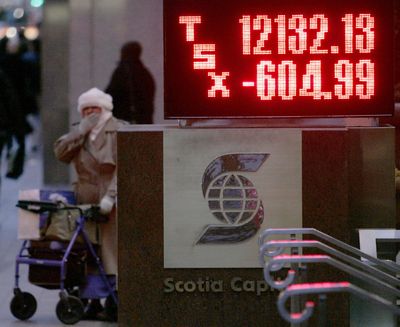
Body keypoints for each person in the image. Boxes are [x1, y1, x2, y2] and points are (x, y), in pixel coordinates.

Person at [54, 87, 122, 321]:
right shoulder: (79, 133)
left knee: (112, 253)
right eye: (86, 109)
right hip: (86, 203)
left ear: (104, 108)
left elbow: (125, 167)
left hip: (112, 204)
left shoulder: (119, 130)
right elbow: (61, 154)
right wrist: (79, 132)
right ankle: (91, 300)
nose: (91, 113)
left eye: (95, 108)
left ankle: (114, 301)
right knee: (88, 253)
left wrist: (112, 196)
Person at [105, 41, 155, 124]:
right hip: (144, 123)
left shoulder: (122, 72)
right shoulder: (145, 73)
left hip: (124, 122)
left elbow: (111, 95)